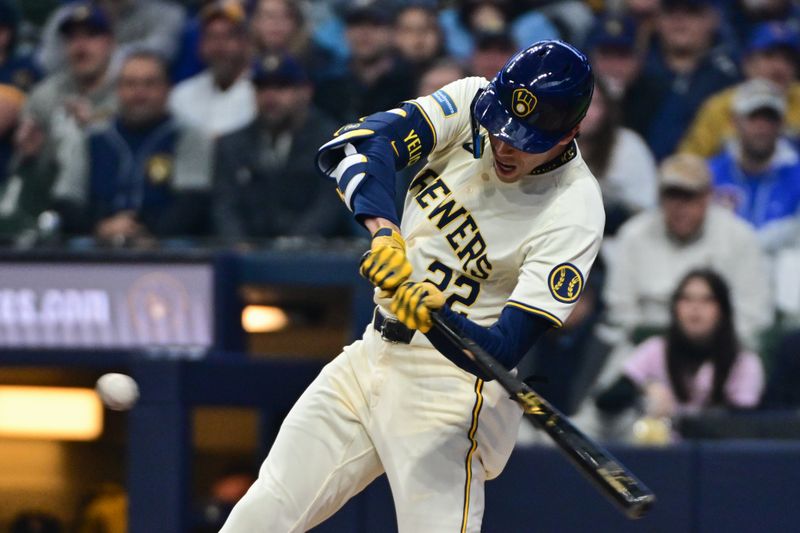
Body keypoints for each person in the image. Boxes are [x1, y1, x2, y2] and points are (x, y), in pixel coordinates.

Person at [221, 40, 603, 532]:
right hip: (371, 354)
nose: (505, 145)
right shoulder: (471, 103)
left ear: (570, 132)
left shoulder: (575, 209)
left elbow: (505, 348)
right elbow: (358, 143)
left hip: (452, 390)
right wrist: (384, 232)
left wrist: (440, 318)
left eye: (526, 139)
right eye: (502, 126)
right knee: (261, 514)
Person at [602, 153, 772, 351]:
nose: (680, 207)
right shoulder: (634, 234)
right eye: (672, 195)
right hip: (644, 348)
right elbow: (619, 308)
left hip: (719, 350)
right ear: (660, 197)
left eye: (689, 196)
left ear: (708, 196)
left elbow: (753, 314)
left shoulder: (740, 237)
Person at [51, 50, 213, 244]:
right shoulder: (92, 137)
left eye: (149, 84)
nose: (139, 93)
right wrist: (100, 228)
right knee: (77, 245)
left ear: (167, 89)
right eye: (130, 84)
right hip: (99, 239)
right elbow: (66, 200)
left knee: (180, 244)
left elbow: (191, 203)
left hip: (164, 243)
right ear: (118, 89)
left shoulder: (187, 135)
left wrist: (146, 235)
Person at [593, 269, 765, 442]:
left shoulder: (744, 362)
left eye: (707, 300)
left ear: (723, 310)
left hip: (721, 460)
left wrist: (675, 417)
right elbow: (606, 402)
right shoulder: (656, 349)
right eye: (686, 299)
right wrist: (644, 389)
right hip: (661, 456)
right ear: (675, 307)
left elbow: (742, 427)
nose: (695, 308)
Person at [1, 2, 117, 241]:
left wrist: (92, 130)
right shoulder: (45, 95)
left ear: (110, 43)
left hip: (109, 201)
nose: (81, 47)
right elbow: (25, 175)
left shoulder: (126, 90)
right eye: (72, 38)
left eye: (91, 36)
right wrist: (30, 154)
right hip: (51, 205)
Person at [212, 55, 350, 241]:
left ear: (306, 91)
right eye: (262, 87)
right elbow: (225, 206)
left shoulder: (332, 142)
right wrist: (239, 246)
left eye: (282, 87)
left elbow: (329, 205)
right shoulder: (232, 144)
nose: (270, 97)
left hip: (313, 255)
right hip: (248, 256)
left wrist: (290, 246)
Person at [635, 0, 740, 160]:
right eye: (670, 12)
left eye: (692, 12)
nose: (679, 20)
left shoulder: (728, 78)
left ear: (713, 20)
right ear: (657, 20)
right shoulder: (637, 75)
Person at [680, 22, 800, 158]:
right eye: (769, 56)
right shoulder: (720, 106)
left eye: (788, 59)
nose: (779, 67)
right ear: (747, 64)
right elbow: (689, 160)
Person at [708, 78, 800, 254]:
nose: (762, 127)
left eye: (769, 118)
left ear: (781, 124)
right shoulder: (710, 174)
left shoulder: (797, 176)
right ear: (735, 122)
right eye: (753, 117)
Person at [577, 77, 658, 234]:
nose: (584, 111)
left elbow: (645, 208)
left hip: (616, 241)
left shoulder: (628, 146)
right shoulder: (545, 145)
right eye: (577, 101)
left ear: (607, 109)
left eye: (594, 103)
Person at [313, 0, 415, 124]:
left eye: (375, 24)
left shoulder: (412, 84)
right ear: (345, 32)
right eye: (356, 24)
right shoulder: (328, 87)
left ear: (392, 32)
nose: (364, 33)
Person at [168, 0, 255, 137]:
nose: (219, 46)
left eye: (228, 36)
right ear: (200, 45)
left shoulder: (260, 93)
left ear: (245, 42)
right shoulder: (182, 95)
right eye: (211, 37)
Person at [36, 0, 185, 74]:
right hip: (78, 92)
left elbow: (162, 53)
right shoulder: (67, 15)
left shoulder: (168, 14)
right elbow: (48, 62)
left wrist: (100, 56)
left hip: (139, 97)